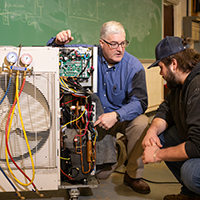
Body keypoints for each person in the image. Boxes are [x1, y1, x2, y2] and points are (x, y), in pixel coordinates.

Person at [47, 21, 150, 194]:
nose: (120, 49)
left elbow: (140, 102)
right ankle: (121, 148)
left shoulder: (134, 67)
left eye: (123, 43)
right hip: (93, 119)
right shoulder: (87, 55)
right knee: (101, 174)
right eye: (114, 44)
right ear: (102, 43)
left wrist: (117, 115)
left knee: (142, 123)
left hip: (120, 117)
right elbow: (54, 55)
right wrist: (57, 43)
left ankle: (133, 175)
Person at [142, 36, 200, 200]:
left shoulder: (197, 86)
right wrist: (151, 131)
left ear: (173, 64)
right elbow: (166, 108)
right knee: (161, 138)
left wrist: (157, 155)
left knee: (191, 172)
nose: (161, 73)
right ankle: (191, 195)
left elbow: (197, 146)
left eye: (161, 67)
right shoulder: (181, 85)